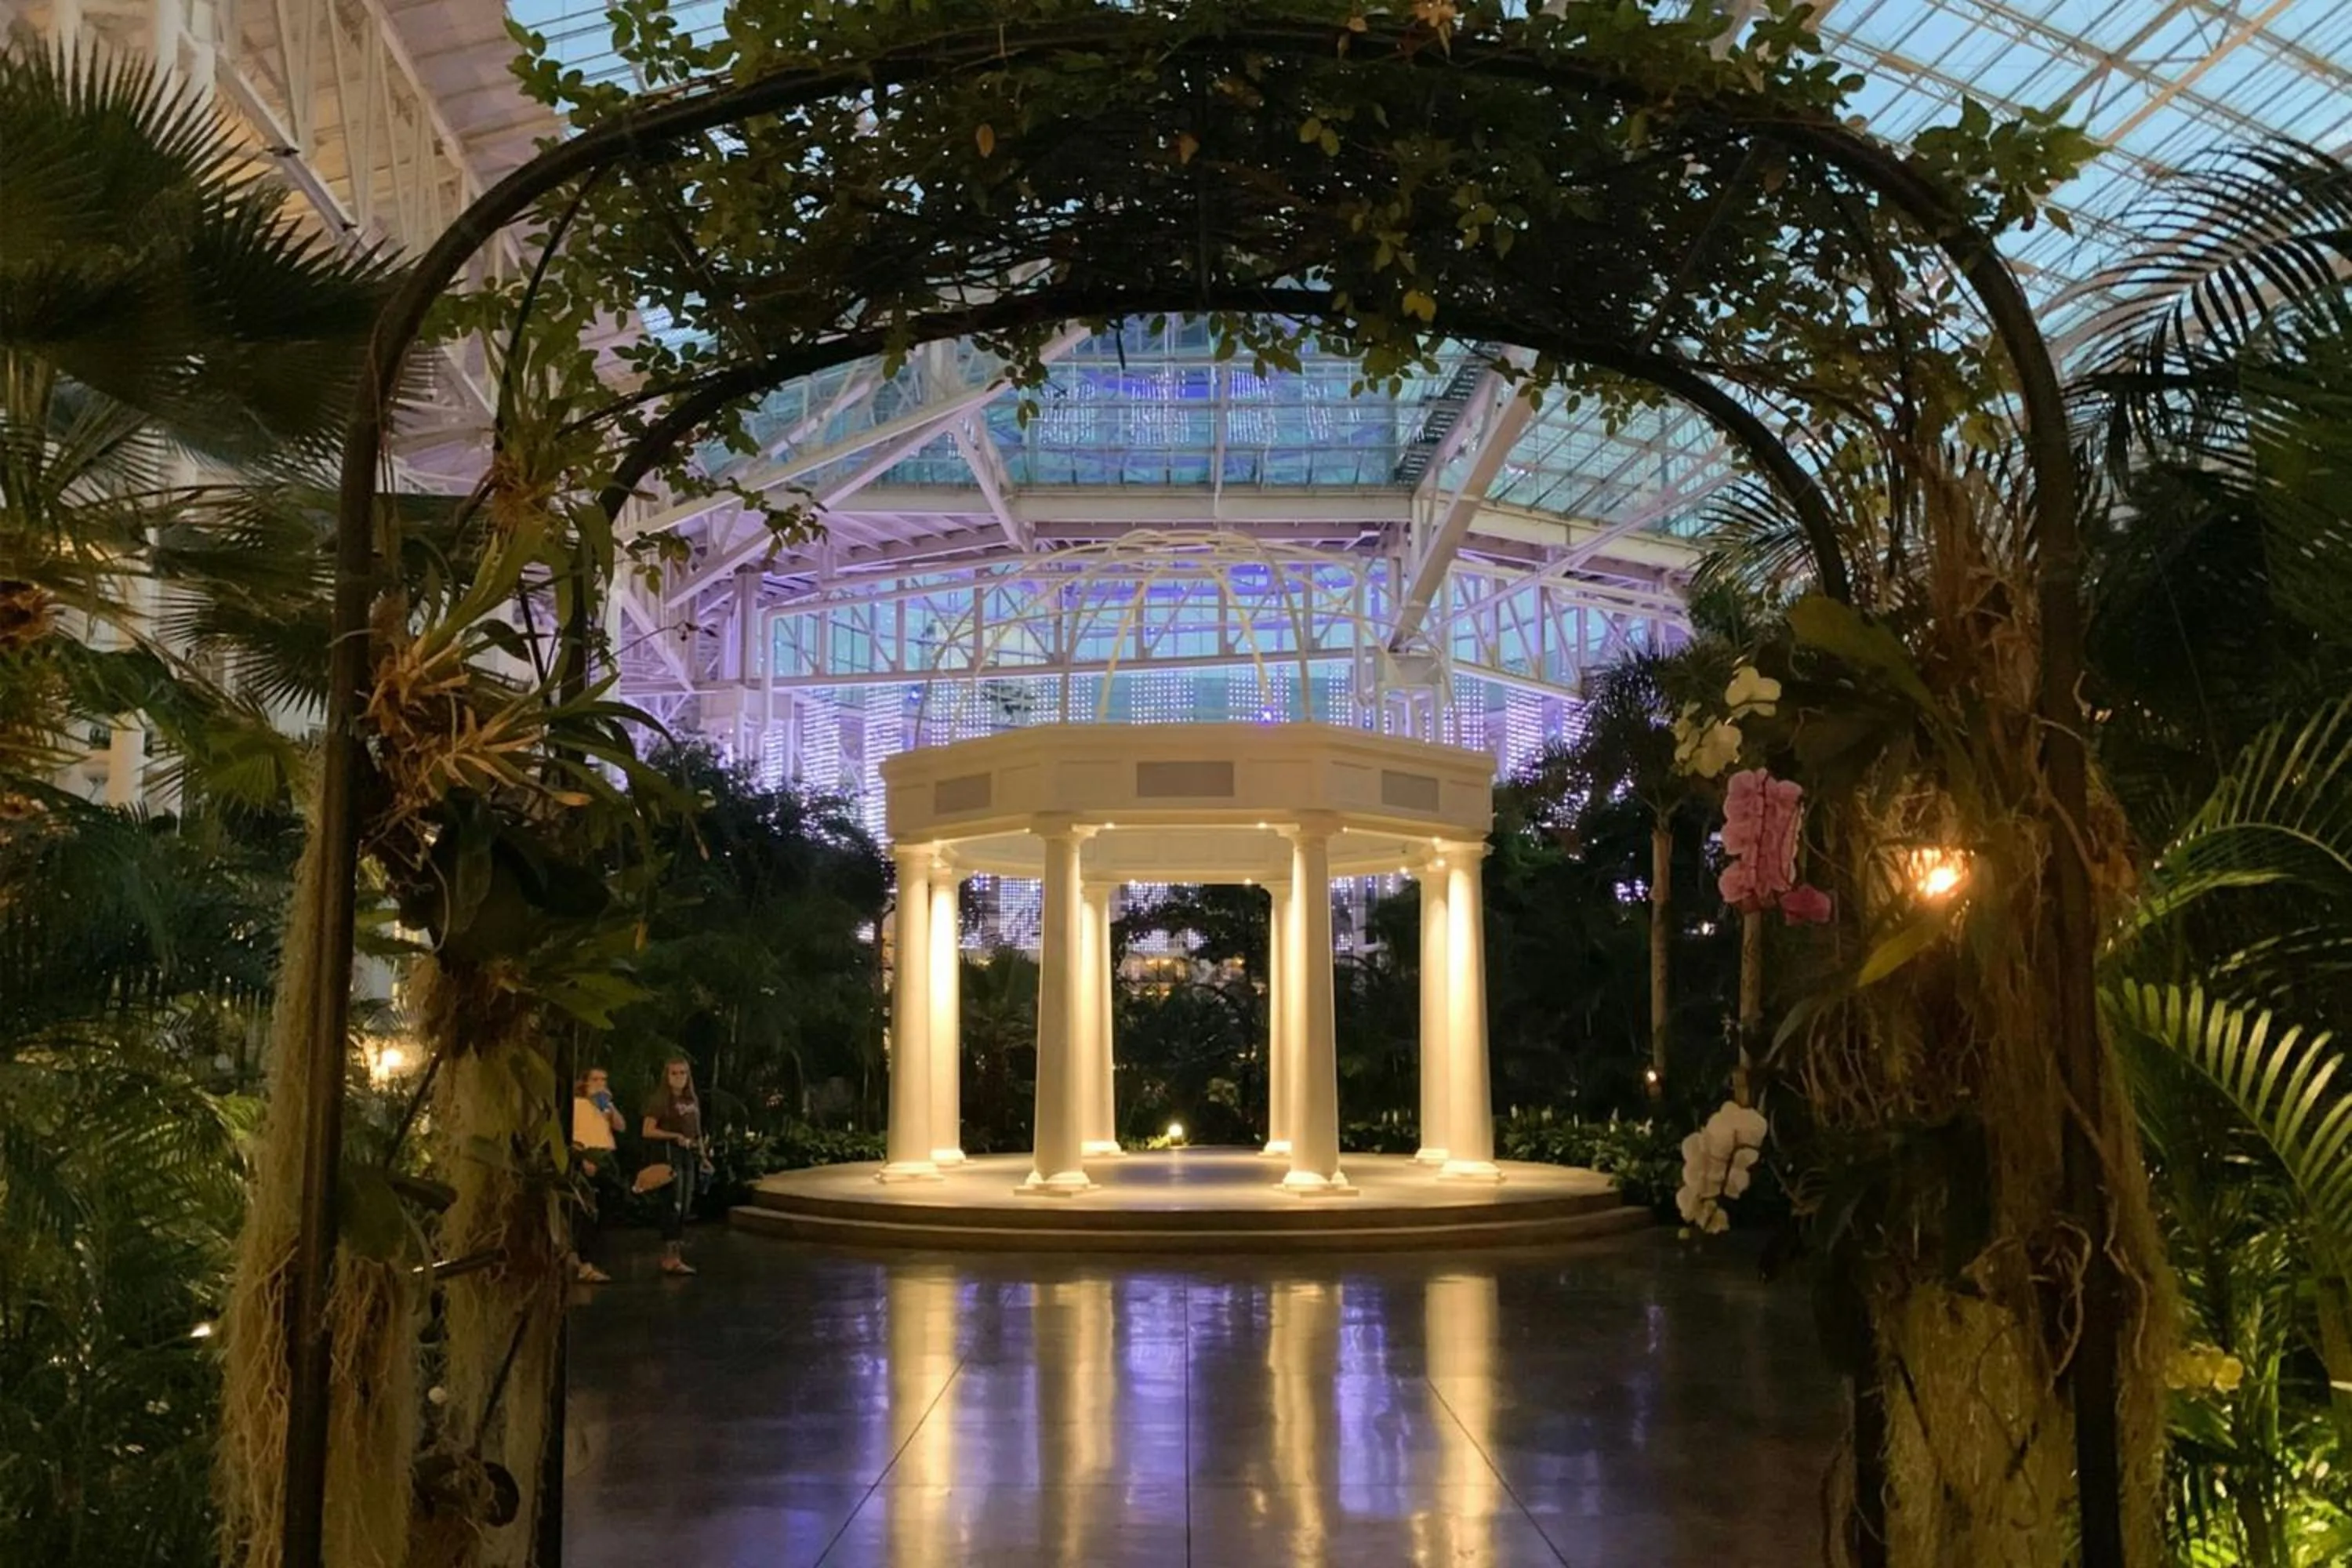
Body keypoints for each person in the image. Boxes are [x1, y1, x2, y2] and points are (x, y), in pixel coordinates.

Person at [641, 1057, 712, 1276]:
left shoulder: (692, 1100)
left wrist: (703, 1156)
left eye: (683, 1073)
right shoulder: (661, 1100)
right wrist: (674, 1136)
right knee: (674, 1203)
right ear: (667, 1076)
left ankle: (676, 1251)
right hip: (669, 1154)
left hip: (688, 1155)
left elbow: (697, 1131)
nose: (679, 1078)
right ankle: (670, 1255)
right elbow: (648, 1130)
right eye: (675, 1073)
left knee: (686, 1203)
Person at [569, 1068, 626, 1283]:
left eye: (604, 1079)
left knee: (607, 1207)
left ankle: (592, 1259)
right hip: (587, 1157)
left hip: (605, 1158)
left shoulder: (604, 1105)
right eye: (595, 1079)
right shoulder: (578, 1104)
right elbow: (574, 1134)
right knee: (587, 1212)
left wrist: (609, 1107)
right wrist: (583, 1158)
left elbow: (621, 1126)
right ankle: (584, 1262)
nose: (600, 1083)